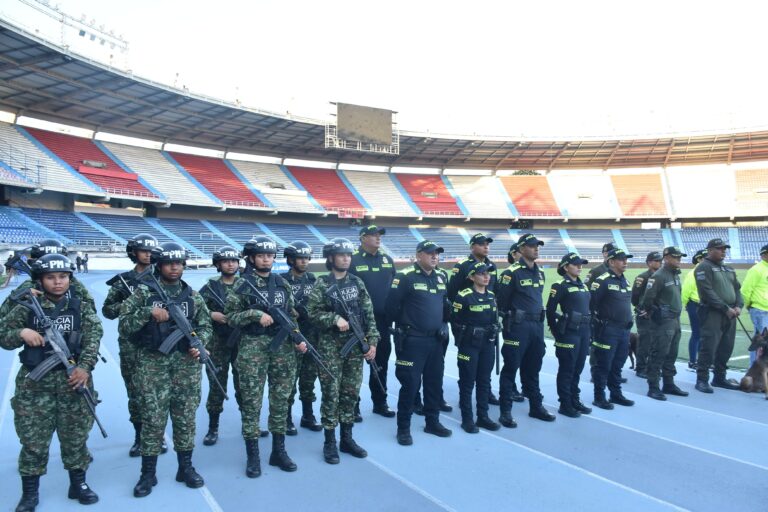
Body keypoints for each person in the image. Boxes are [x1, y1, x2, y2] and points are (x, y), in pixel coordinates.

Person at [1, 253, 103, 511]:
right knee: (33, 441)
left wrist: (84, 368)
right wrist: (21, 332)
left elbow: (93, 338)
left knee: (75, 437)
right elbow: (3, 334)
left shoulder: (80, 306)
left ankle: (78, 484)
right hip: (36, 386)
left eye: (63, 277)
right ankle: (30, 494)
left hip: (74, 382)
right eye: (51, 277)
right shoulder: (26, 306)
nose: (58, 282)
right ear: (40, 280)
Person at [120, 242, 212, 497]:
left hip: (186, 367)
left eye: (179, 263)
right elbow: (124, 326)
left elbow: (205, 326)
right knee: (152, 419)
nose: (174, 267)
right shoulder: (143, 293)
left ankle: (186, 468)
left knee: (185, 418)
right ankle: (148, 474)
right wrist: (148, 312)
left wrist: (199, 343)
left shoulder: (193, 296)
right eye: (169, 263)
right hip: (152, 365)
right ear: (159, 265)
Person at [225, 236, 307, 478]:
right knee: (252, 402)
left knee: (281, 400)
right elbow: (230, 317)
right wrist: (254, 314)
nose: (266, 260)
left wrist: (298, 338)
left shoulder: (282, 283)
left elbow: (291, 314)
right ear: (251, 258)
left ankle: (278, 451)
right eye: (261, 256)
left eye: (270, 256)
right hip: (253, 348)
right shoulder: (242, 285)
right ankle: (253, 455)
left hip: (283, 348)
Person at [305, 238, 378, 463]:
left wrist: (373, 342)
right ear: (331, 258)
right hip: (330, 348)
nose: (346, 258)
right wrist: (333, 318)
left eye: (348, 255)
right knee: (331, 394)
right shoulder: (322, 284)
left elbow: (369, 314)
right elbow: (311, 313)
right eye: (341, 255)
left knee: (350, 393)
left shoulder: (356, 282)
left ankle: (347, 439)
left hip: (355, 347)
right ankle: (330, 442)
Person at [102, 233, 165, 457]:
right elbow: (108, 311)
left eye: (152, 251)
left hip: (158, 341)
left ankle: (157, 436)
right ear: (133, 253)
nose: (148, 254)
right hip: (131, 343)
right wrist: (130, 307)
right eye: (143, 250)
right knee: (135, 392)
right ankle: (139, 436)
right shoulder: (123, 281)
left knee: (158, 392)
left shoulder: (162, 278)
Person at [387, 240, 453, 445]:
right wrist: (404, 327)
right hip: (412, 341)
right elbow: (391, 307)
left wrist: (443, 323)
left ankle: (432, 422)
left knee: (434, 383)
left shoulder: (441, 276)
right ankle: (403, 428)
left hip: (435, 340)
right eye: (430, 253)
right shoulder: (405, 277)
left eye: (437, 253)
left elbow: (444, 305)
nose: (434, 256)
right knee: (410, 385)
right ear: (418, 255)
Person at [496, 233, 555, 427]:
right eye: (532, 246)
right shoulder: (510, 273)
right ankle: (505, 411)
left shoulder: (540, 272)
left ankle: (536, 407)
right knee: (511, 367)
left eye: (538, 245)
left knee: (533, 368)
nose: (536, 248)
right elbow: (501, 303)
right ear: (521, 249)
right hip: (517, 327)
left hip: (536, 326)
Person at [349, 225, 396, 418]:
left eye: (379, 235)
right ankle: (353, 405)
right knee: (354, 365)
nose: (378, 238)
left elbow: (394, 289)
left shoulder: (387, 259)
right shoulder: (352, 259)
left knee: (380, 364)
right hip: (357, 322)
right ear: (362, 238)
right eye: (373, 235)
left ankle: (380, 402)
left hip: (382, 322)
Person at [199, 245, 244, 446]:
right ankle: (213, 428)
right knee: (217, 384)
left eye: (234, 261)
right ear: (218, 264)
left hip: (242, 341)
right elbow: (195, 309)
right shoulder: (210, 288)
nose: (230, 264)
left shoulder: (246, 285)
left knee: (245, 385)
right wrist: (212, 314)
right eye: (226, 261)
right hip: (217, 342)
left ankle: (248, 423)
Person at [451, 261, 501, 433]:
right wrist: (462, 341)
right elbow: (455, 322)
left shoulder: (491, 295)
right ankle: (467, 419)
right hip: (469, 345)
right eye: (482, 273)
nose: (487, 277)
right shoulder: (463, 296)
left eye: (488, 273)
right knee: (467, 382)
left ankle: (483, 416)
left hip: (487, 344)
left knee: (484, 381)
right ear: (472, 277)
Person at [281, 240, 322, 433]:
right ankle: (286, 418)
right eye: (300, 258)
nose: (304, 261)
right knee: (288, 380)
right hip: (289, 338)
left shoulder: (314, 280)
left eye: (307, 258)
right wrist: (291, 312)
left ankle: (308, 415)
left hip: (312, 335)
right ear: (290, 260)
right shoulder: (280, 281)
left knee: (308, 379)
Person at [546, 252, 593, 418]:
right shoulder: (560, 285)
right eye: (576, 264)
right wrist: (557, 332)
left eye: (581, 264)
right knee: (567, 369)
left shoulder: (583, 285)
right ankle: (565, 404)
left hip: (584, 332)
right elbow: (550, 311)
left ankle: (574, 399)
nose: (580, 267)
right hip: (569, 333)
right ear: (566, 267)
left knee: (578, 369)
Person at [640, 247, 690, 400]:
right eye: (676, 257)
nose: (679, 260)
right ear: (666, 258)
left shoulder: (674, 275)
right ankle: (653, 386)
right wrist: (653, 312)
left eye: (680, 257)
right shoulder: (659, 276)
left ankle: (668, 383)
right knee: (658, 354)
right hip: (663, 321)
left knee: (671, 354)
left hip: (674, 320)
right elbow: (648, 298)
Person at [694, 238, 743, 393]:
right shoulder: (703, 267)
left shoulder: (729, 269)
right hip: (712, 313)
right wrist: (725, 307)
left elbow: (737, 289)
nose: (723, 251)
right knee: (709, 346)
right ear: (710, 251)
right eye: (719, 249)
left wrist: (738, 305)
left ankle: (719, 378)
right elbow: (707, 292)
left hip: (730, 313)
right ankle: (702, 379)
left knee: (726, 347)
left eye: (724, 249)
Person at [589, 248, 635, 409]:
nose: (625, 262)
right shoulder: (602, 281)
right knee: (603, 365)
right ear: (611, 262)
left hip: (624, 331)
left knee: (618, 364)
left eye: (626, 259)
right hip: (607, 330)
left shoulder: (625, 281)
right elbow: (591, 305)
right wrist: (596, 328)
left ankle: (615, 394)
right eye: (622, 259)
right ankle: (599, 396)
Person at [631, 251, 663, 378]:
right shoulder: (642, 277)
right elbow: (635, 297)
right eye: (657, 261)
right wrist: (641, 309)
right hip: (645, 315)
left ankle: (651, 367)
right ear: (649, 263)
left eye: (660, 261)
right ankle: (641, 368)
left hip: (657, 314)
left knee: (656, 343)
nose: (659, 263)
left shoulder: (661, 276)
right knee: (644, 342)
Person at [740, 244, 768, 365]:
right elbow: (745, 290)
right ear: (764, 255)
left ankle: (755, 368)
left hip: (763, 310)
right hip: (760, 310)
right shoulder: (756, 270)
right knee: (762, 341)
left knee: (758, 341)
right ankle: (756, 368)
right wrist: (749, 306)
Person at [682, 249, 707, 370]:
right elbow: (685, 291)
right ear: (699, 259)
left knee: (703, 334)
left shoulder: (706, 271)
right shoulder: (693, 273)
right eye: (705, 257)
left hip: (705, 306)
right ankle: (692, 361)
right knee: (697, 334)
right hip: (695, 305)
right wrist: (687, 305)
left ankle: (701, 360)